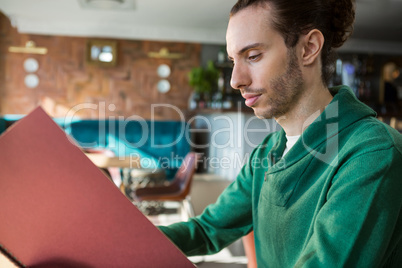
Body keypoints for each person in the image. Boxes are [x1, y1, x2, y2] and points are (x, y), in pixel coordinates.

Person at [159, 0, 402, 266]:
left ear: (308, 48)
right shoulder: (267, 152)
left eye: (252, 56)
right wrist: (122, 240)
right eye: (233, 60)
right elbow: (207, 230)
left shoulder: (372, 154)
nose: (235, 80)